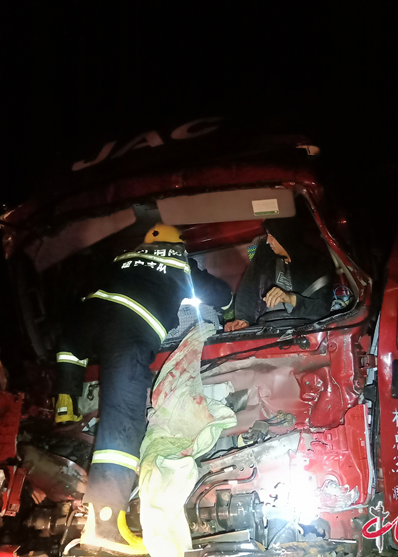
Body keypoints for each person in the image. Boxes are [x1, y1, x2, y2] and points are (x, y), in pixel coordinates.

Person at [54, 223, 232, 555]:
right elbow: (220, 296)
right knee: (122, 421)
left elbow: (74, 326)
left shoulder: (122, 258)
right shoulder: (178, 261)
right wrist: (229, 305)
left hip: (84, 321)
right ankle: (105, 524)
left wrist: (67, 385)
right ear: (177, 244)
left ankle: (65, 401)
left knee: (71, 351)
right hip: (128, 331)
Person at [225, 216, 335, 332]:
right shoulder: (265, 257)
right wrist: (243, 320)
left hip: (305, 330)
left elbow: (322, 308)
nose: (268, 241)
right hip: (266, 330)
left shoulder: (316, 264)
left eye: (272, 236)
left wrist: (290, 299)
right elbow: (249, 289)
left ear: (285, 236)